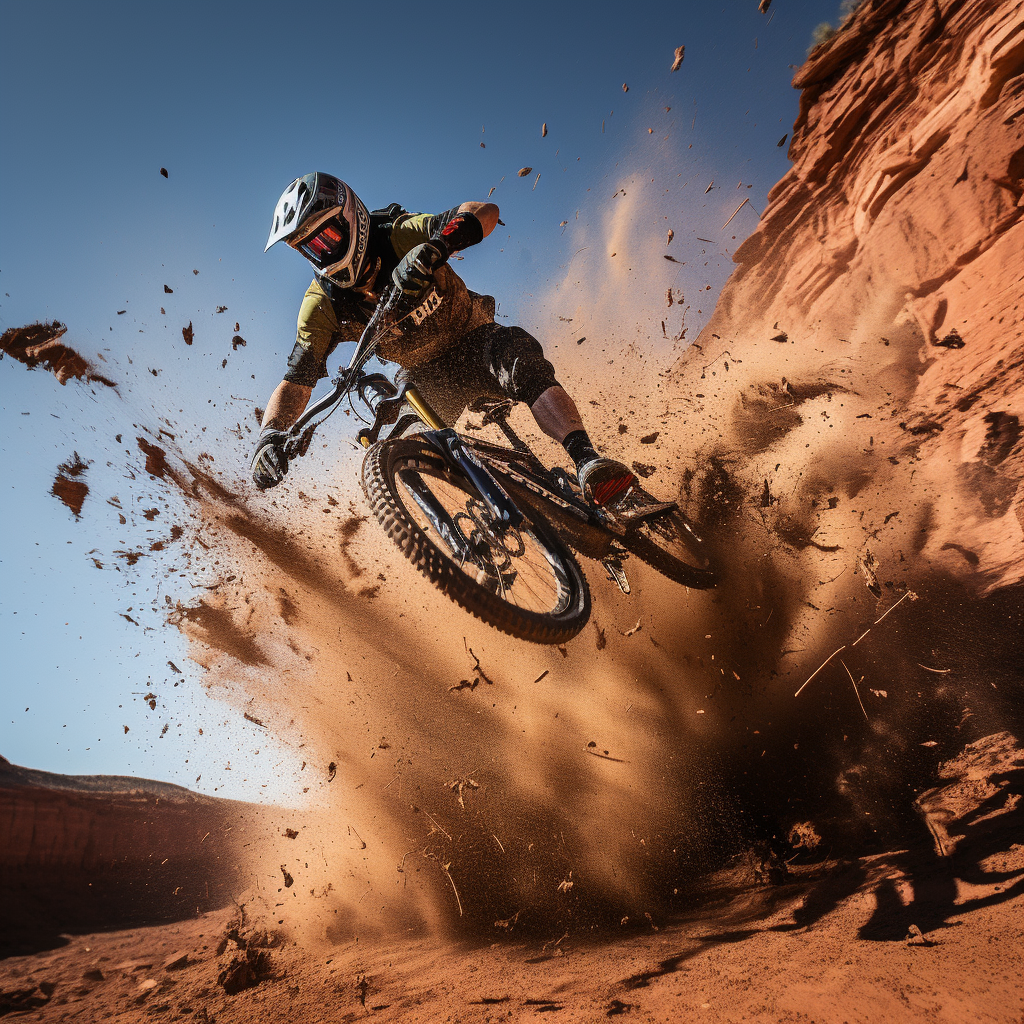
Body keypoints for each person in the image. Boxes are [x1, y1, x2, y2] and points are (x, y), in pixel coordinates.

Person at [251, 172, 637, 507]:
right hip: (426, 377)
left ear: (351, 218)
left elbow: (484, 212)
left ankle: (587, 462)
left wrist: (436, 247)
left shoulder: (397, 234)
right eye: (309, 247)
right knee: (410, 444)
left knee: (519, 361)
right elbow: (296, 380)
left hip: (476, 339)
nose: (322, 253)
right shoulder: (321, 306)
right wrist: (270, 436)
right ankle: (486, 525)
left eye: (327, 237)